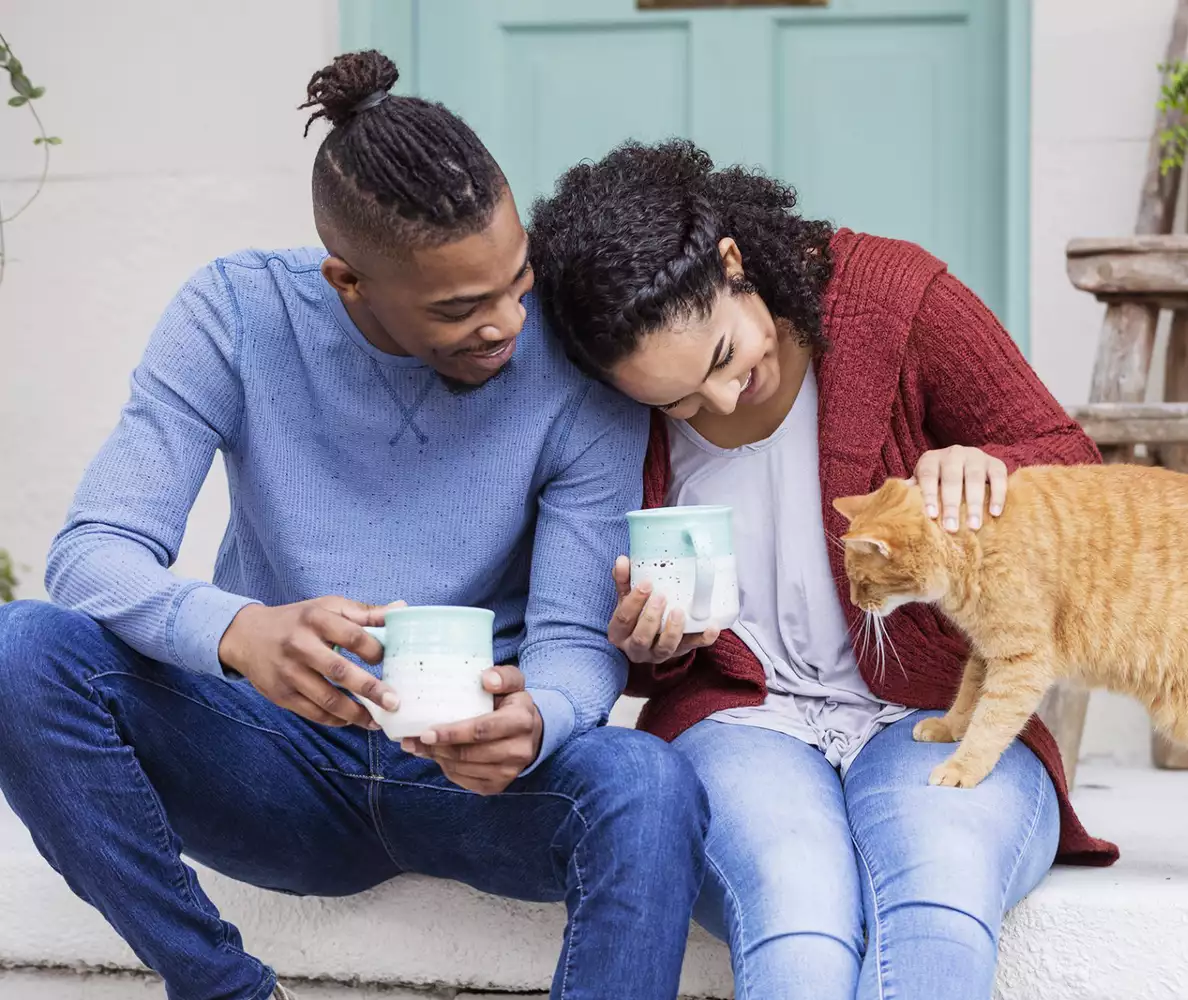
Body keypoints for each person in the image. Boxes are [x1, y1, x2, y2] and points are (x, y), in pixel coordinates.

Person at [0, 54, 706, 1000]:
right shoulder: (238, 313)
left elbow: (575, 639)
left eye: (518, 278)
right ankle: (220, 987)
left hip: (473, 780)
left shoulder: (572, 362)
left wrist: (539, 719)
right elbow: (93, 553)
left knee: (647, 784)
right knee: (21, 649)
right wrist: (240, 633)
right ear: (349, 281)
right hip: (270, 758)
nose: (507, 323)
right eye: (460, 308)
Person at [528, 139, 1118, 1000]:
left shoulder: (899, 303)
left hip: (937, 707)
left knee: (935, 904)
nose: (720, 403)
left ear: (733, 265)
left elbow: (1086, 485)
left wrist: (991, 469)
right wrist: (650, 647)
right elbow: (615, 643)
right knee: (797, 922)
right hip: (742, 723)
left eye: (723, 359)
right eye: (677, 403)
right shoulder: (611, 407)